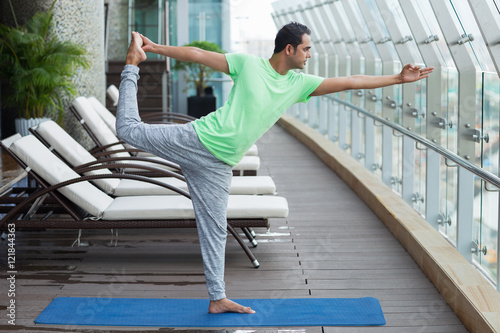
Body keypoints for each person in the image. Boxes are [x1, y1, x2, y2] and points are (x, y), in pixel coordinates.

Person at [116, 22, 433, 314]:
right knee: (129, 130)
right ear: (290, 49)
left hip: (220, 165)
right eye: (307, 48)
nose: (310, 54)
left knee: (214, 229)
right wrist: (154, 48)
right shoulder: (248, 64)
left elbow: (350, 82)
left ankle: (218, 298)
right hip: (198, 139)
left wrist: (397, 78)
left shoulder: (298, 84)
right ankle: (132, 64)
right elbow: (198, 55)